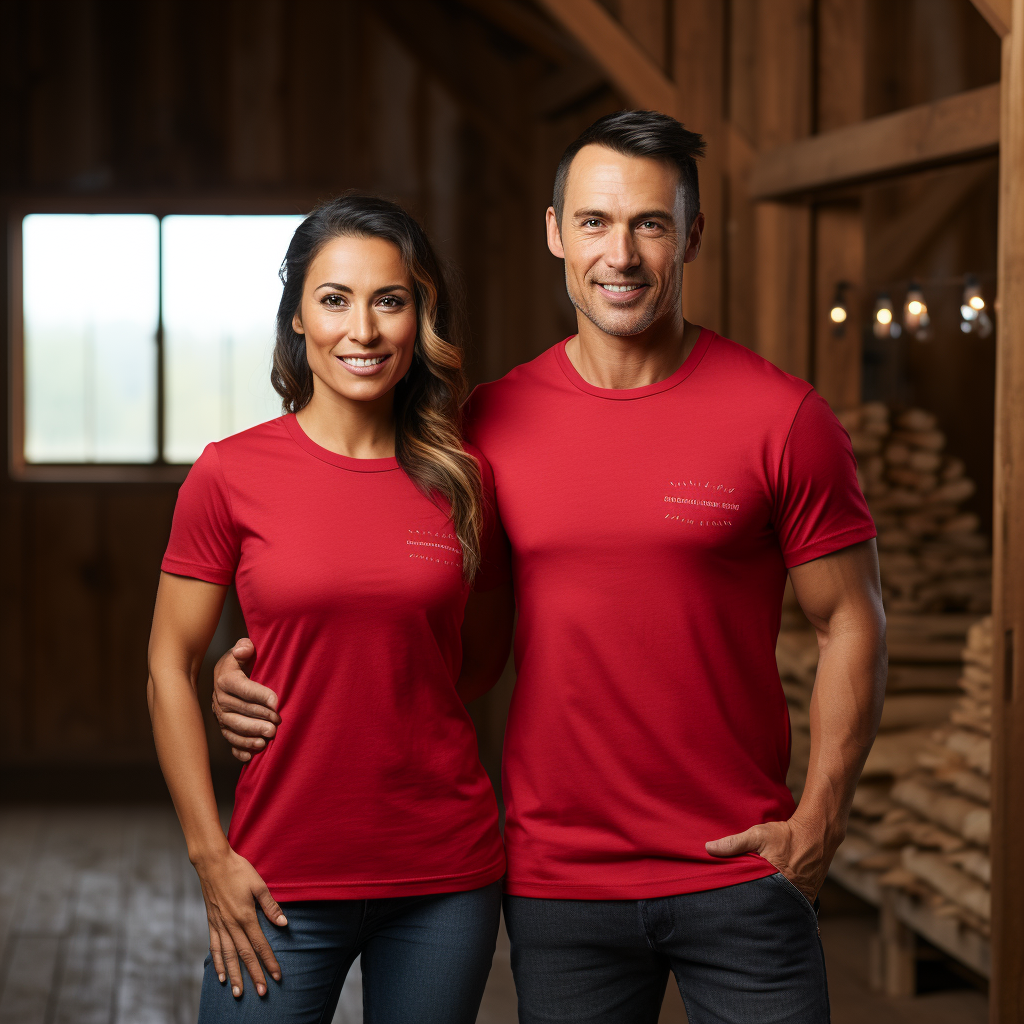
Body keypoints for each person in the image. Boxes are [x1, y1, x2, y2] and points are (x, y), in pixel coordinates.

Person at [212, 111, 887, 1024]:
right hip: (559, 885)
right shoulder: (485, 428)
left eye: (651, 223)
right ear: (555, 232)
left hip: (741, 871)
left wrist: (821, 819)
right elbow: (447, 640)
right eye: (596, 222)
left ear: (690, 234)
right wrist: (268, 673)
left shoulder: (784, 418)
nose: (622, 253)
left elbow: (852, 619)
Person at [147, 194, 516, 1023]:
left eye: (391, 300)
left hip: (444, 877)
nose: (364, 329)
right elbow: (168, 666)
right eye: (334, 299)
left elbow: (481, 658)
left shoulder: (465, 481)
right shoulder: (229, 474)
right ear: (298, 320)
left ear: (419, 318)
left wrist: (381, 703)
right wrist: (212, 858)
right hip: (278, 874)